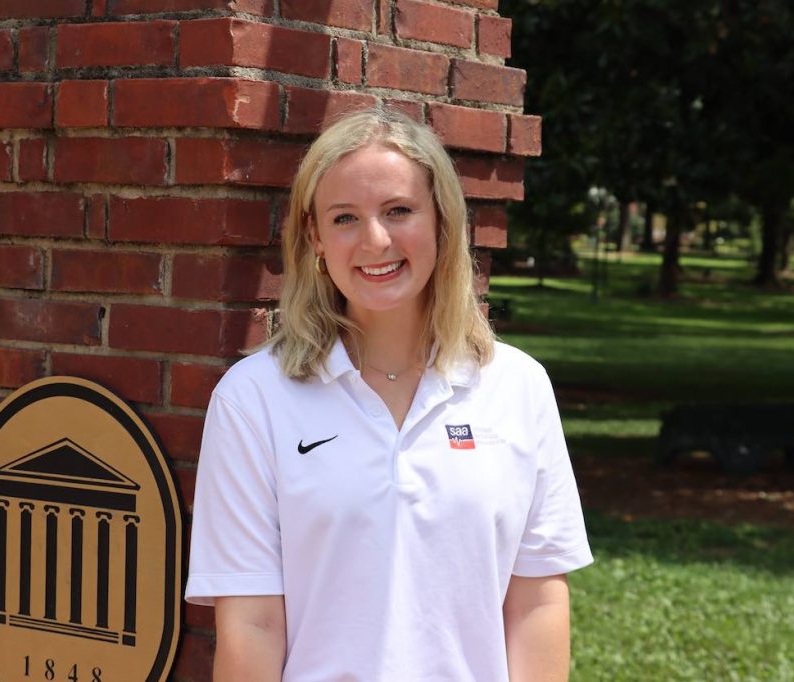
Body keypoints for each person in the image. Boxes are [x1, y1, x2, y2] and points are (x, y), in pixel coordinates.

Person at [184, 104, 593, 681]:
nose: (375, 240)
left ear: (442, 222)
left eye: (399, 210)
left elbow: (537, 601)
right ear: (315, 237)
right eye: (345, 217)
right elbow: (251, 623)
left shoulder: (518, 386)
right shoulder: (253, 399)